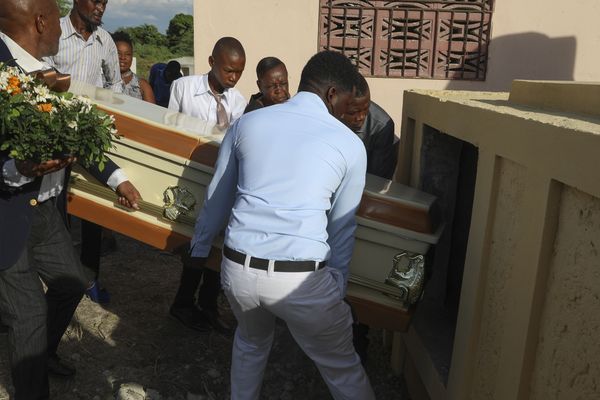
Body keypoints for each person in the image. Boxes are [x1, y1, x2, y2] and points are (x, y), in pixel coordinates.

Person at [189, 50, 375, 399]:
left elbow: (218, 196)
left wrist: (199, 249)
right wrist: (337, 283)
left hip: (239, 271)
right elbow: (342, 225)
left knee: (250, 343)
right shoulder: (350, 145)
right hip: (302, 281)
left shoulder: (248, 123)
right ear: (332, 94)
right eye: (346, 104)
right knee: (342, 369)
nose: (346, 114)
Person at [0, 0, 140, 397]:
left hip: (42, 211)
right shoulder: (3, 72)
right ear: (41, 21)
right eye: (57, 23)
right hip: (5, 214)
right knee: (28, 315)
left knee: (72, 282)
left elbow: (75, 134)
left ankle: (38, 353)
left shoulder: (48, 76)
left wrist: (117, 178)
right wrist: (16, 170)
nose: (63, 31)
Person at [44, 0, 139, 304]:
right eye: (95, 0)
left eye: (105, 3)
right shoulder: (53, 31)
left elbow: (115, 86)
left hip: (89, 139)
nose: (100, 7)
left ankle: (89, 280)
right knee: (54, 212)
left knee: (92, 215)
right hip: (52, 136)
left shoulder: (105, 41)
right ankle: (57, 280)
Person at [168, 37, 247, 334]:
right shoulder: (184, 88)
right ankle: (183, 304)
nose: (233, 77)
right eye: (229, 70)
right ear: (212, 62)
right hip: (191, 178)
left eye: (239, 72)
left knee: (218, 243)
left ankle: (208, 305)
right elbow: (171, 132)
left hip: (222, 183)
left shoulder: (238, 102)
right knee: (195, 242)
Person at [341, 73, 398, 180]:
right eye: (354, 112)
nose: (360, 117)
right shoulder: (327, 116)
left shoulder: (382, 127)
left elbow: (377, 180)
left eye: (365, 109)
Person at [112, 31, 155, 103]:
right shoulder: (101, 80)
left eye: (127, 54)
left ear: (132, 57)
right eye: (118, 53)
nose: (123, 57)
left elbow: (152, 112)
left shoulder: (143, 86)